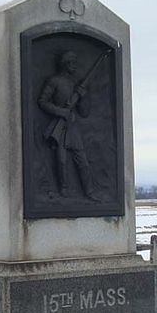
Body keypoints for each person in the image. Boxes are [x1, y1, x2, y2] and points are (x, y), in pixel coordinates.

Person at [37, 51, 101, 201]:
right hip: (59, 125)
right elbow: (42, 101)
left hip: (72, 128)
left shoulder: (75, 84)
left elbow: (84, 112)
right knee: (61, 161)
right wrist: (61, 112)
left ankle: (89, 191)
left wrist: (83, 96)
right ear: (65, 64)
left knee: (83, 162)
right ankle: (63, 191)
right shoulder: (54, 81)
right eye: (72, 63)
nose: (75, 66)